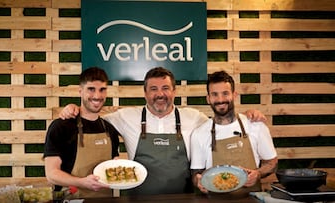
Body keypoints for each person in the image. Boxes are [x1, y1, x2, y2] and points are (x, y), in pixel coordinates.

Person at [59, 67, 267, 196]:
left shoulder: (194, 117)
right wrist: (74, 108)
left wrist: (248, 115)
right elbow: (92, 117)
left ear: (174, 91)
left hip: (183, 199)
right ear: (145, 93)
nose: (160, 94)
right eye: (154, 89)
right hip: (136, 199)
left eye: (165, 88)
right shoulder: (125, 117)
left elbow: (222, 124)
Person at [190, 71, 278, 198]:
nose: (220, 100)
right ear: (208, 98)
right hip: (215, 201)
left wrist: (257, 174)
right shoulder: (199, 134)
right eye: (215, 94)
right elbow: (196, 174)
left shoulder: (255, 125)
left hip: (251, 199)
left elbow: (272, 163)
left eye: (225, 93)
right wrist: (197, 180)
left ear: (234, 95)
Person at [43, 67, 121, 198]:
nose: (97, 96)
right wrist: (82, 182)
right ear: (80, 91)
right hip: (70, 198)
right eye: (91, 89)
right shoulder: (61, 126)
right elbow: (51, 174)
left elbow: (113, 164)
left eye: (102, 90)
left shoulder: (110, 129)